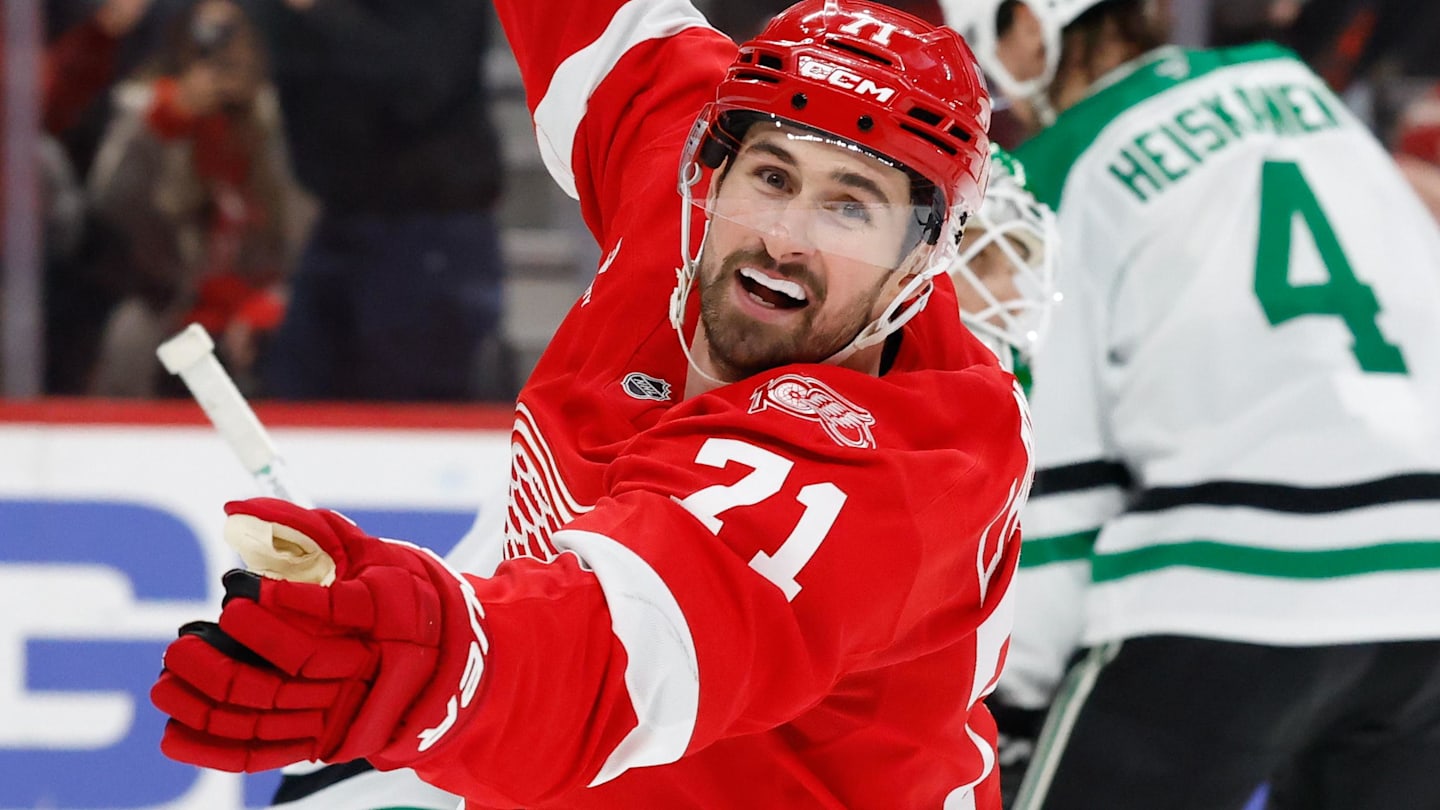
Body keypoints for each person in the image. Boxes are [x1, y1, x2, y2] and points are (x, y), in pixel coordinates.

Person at [149, 1, 1034, 807]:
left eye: (851, 208)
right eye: (772, 178)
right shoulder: (681, 204)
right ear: (710, 172)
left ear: (920, 263)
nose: (784, 236)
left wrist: (423, 656)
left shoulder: (917, 456)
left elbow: (616, 646)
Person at [940, 1, 1440, 809]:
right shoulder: (1311, 101)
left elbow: (1052, 475)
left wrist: (1012, 693)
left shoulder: (1050, 176)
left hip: (1228, 592)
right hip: (1426, 589)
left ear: (1030, 24)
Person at [237, 0, 510, 402]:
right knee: (293, 395)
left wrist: (320, 12)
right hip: (338, 218)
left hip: (431, 226)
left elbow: (422, 82)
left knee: (406, 407)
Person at [86, 0, 304, 397]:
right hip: (171, 299)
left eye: (238, 42)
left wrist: (273, 299)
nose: (227, 61)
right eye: (210, 48)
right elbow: (111, 205)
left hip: (262, 299)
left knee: (297, 333)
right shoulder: (149, 108)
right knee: (129, 337)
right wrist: (162, 130)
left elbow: (301, 224)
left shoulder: (285, 115)